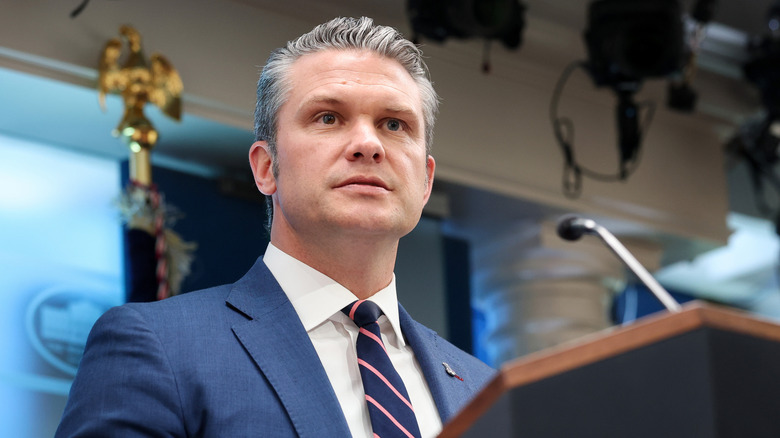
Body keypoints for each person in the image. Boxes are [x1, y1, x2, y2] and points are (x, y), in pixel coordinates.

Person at [56, 16, 495, 438]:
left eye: (394, 124)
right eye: (328, 117)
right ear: (267, 168)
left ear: (425, 183)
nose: (368, 144)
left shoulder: (484, 390)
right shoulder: (158, 347)